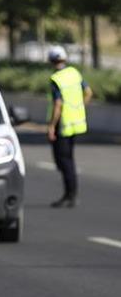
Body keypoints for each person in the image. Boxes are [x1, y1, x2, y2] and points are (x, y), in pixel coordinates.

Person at [47, 46, 93, 208]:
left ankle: (70, 194)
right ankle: (70, 193)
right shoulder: (74, 73)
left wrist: (52, 126)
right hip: (76, 123)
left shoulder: (56, 79)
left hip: (63, 125)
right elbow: (88, 92)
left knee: (64, 161)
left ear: (51, 61)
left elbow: (58, 104)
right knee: (69, 159)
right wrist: (80, 108)